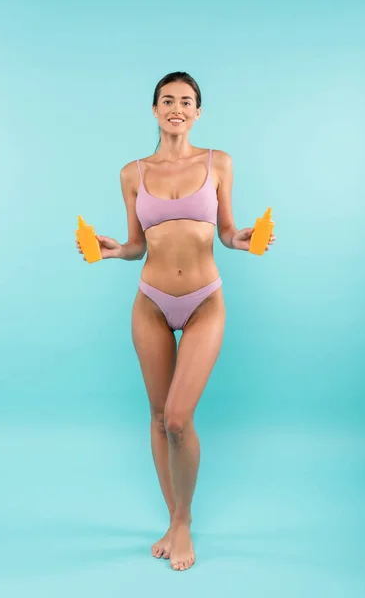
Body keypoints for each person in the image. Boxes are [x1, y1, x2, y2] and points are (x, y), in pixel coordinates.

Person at [76, 71, 276, 572]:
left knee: (179, 419)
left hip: (205, 299)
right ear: (154, 109)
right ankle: (175, 518)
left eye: (186, 101)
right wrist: (117, 250)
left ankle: (183, 520)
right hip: (150, 301)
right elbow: (139, 244)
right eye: (168, 100)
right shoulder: (132, 173)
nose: (177, 108)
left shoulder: (219, 163)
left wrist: (245, 237)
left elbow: (226, 234)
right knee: (157, 415)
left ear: (198, 112)